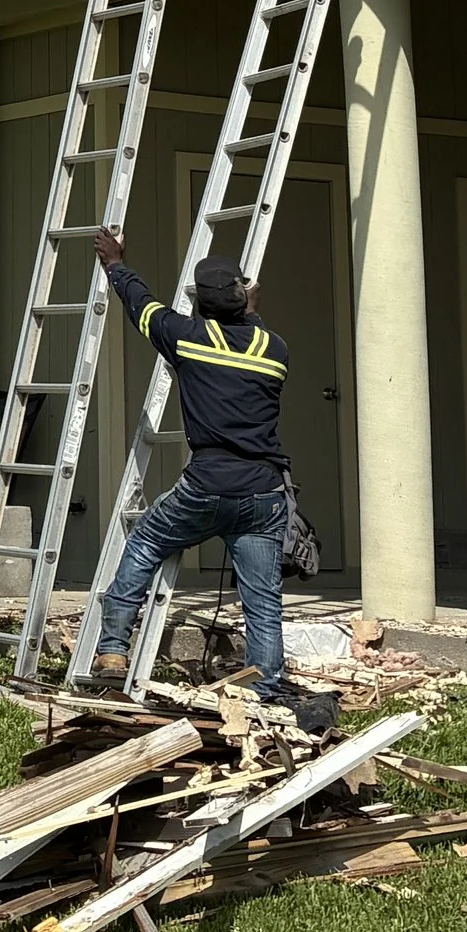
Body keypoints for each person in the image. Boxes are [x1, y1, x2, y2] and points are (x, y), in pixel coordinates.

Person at [84, 229, 329, 725]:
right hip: (264, 493)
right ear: (245, 299)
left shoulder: (187, 337)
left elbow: (141, 304)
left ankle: (112, 650)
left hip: (207, 485)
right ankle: (266, 684)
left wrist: (114, 262)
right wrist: (251, 306)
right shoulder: (274, 349)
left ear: (200, 304)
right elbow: (252, 329)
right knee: (262, 598)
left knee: (147, 541)